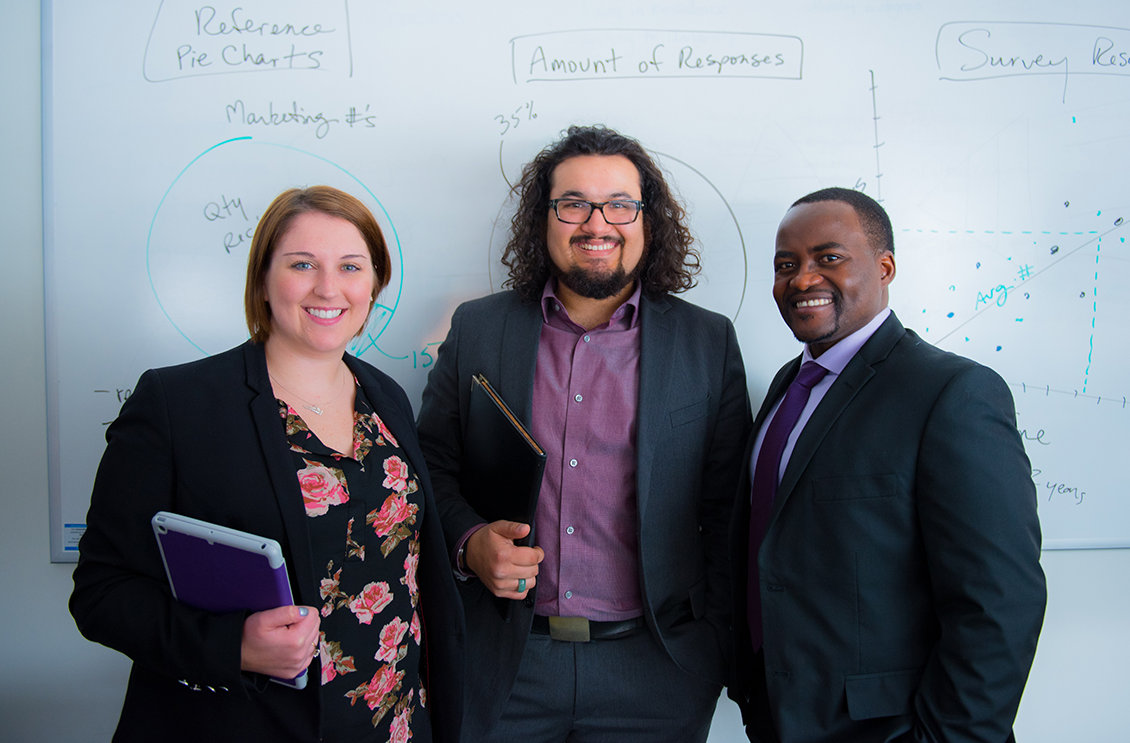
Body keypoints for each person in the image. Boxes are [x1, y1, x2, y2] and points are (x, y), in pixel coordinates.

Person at [70, 186, 465, 743]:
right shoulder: (177, 405)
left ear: (374, 284)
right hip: (251, 724)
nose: (328, 287)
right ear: (262, 279)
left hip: (397, 723)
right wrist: (232, 646)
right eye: (302, 264)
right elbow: (101, 591)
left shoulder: (387, 397)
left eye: (350, 266)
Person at [417, 125, 751, 743]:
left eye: (619, 204)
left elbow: (729, 507)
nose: (597, 223)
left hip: (658, 674)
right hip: (503, 665)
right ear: (543, 218)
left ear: (647, 219)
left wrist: (709, 648)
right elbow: (429, 464)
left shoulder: (707, 342)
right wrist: (469, 543)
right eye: (573, 203)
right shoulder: (479, 328)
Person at [729, 187, 1046, 743]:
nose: (802, 280)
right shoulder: (788, 386)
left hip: (892, 729)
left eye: (829, 257)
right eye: (786, 265)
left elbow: (999, 601)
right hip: (776, 716)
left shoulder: (952, 392)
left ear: (885, 267)